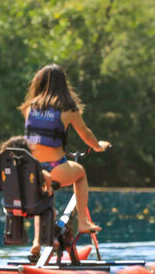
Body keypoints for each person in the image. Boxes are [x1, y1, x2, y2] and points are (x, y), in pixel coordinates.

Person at [20, 64, 110, 233]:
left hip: (33, 171)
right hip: (55, 169)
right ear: (63, 85)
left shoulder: (29, 108)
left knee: (42, 196)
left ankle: (37, 243)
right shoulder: (68, 110)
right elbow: (86, 134)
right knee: (81, 174)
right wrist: (98, 147)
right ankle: (83, 222)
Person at [0, 136, 53, 258]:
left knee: (20, 208)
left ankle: (15, 236)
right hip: (32, 206)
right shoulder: (32, 166)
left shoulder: (5, 167)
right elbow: (47, 177)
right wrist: (48, 189)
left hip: (11, 207)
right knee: (48, 202)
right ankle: (38, 241)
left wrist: (6, 187)